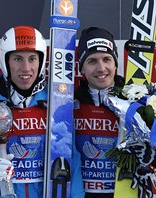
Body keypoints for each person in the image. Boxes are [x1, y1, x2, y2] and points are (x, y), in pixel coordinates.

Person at [0, 25, 84, 198]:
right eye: (18, 59)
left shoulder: (57, 109)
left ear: (41, 62)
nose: (26, 68)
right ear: (5, 61)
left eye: (32, 59)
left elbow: (72, 164)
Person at [74, 27, 125, 198]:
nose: (101, 68)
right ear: (82, 69)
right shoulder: (67, 105)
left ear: (115, 65)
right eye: (92, 61)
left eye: (107, 59)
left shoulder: (134, 104)